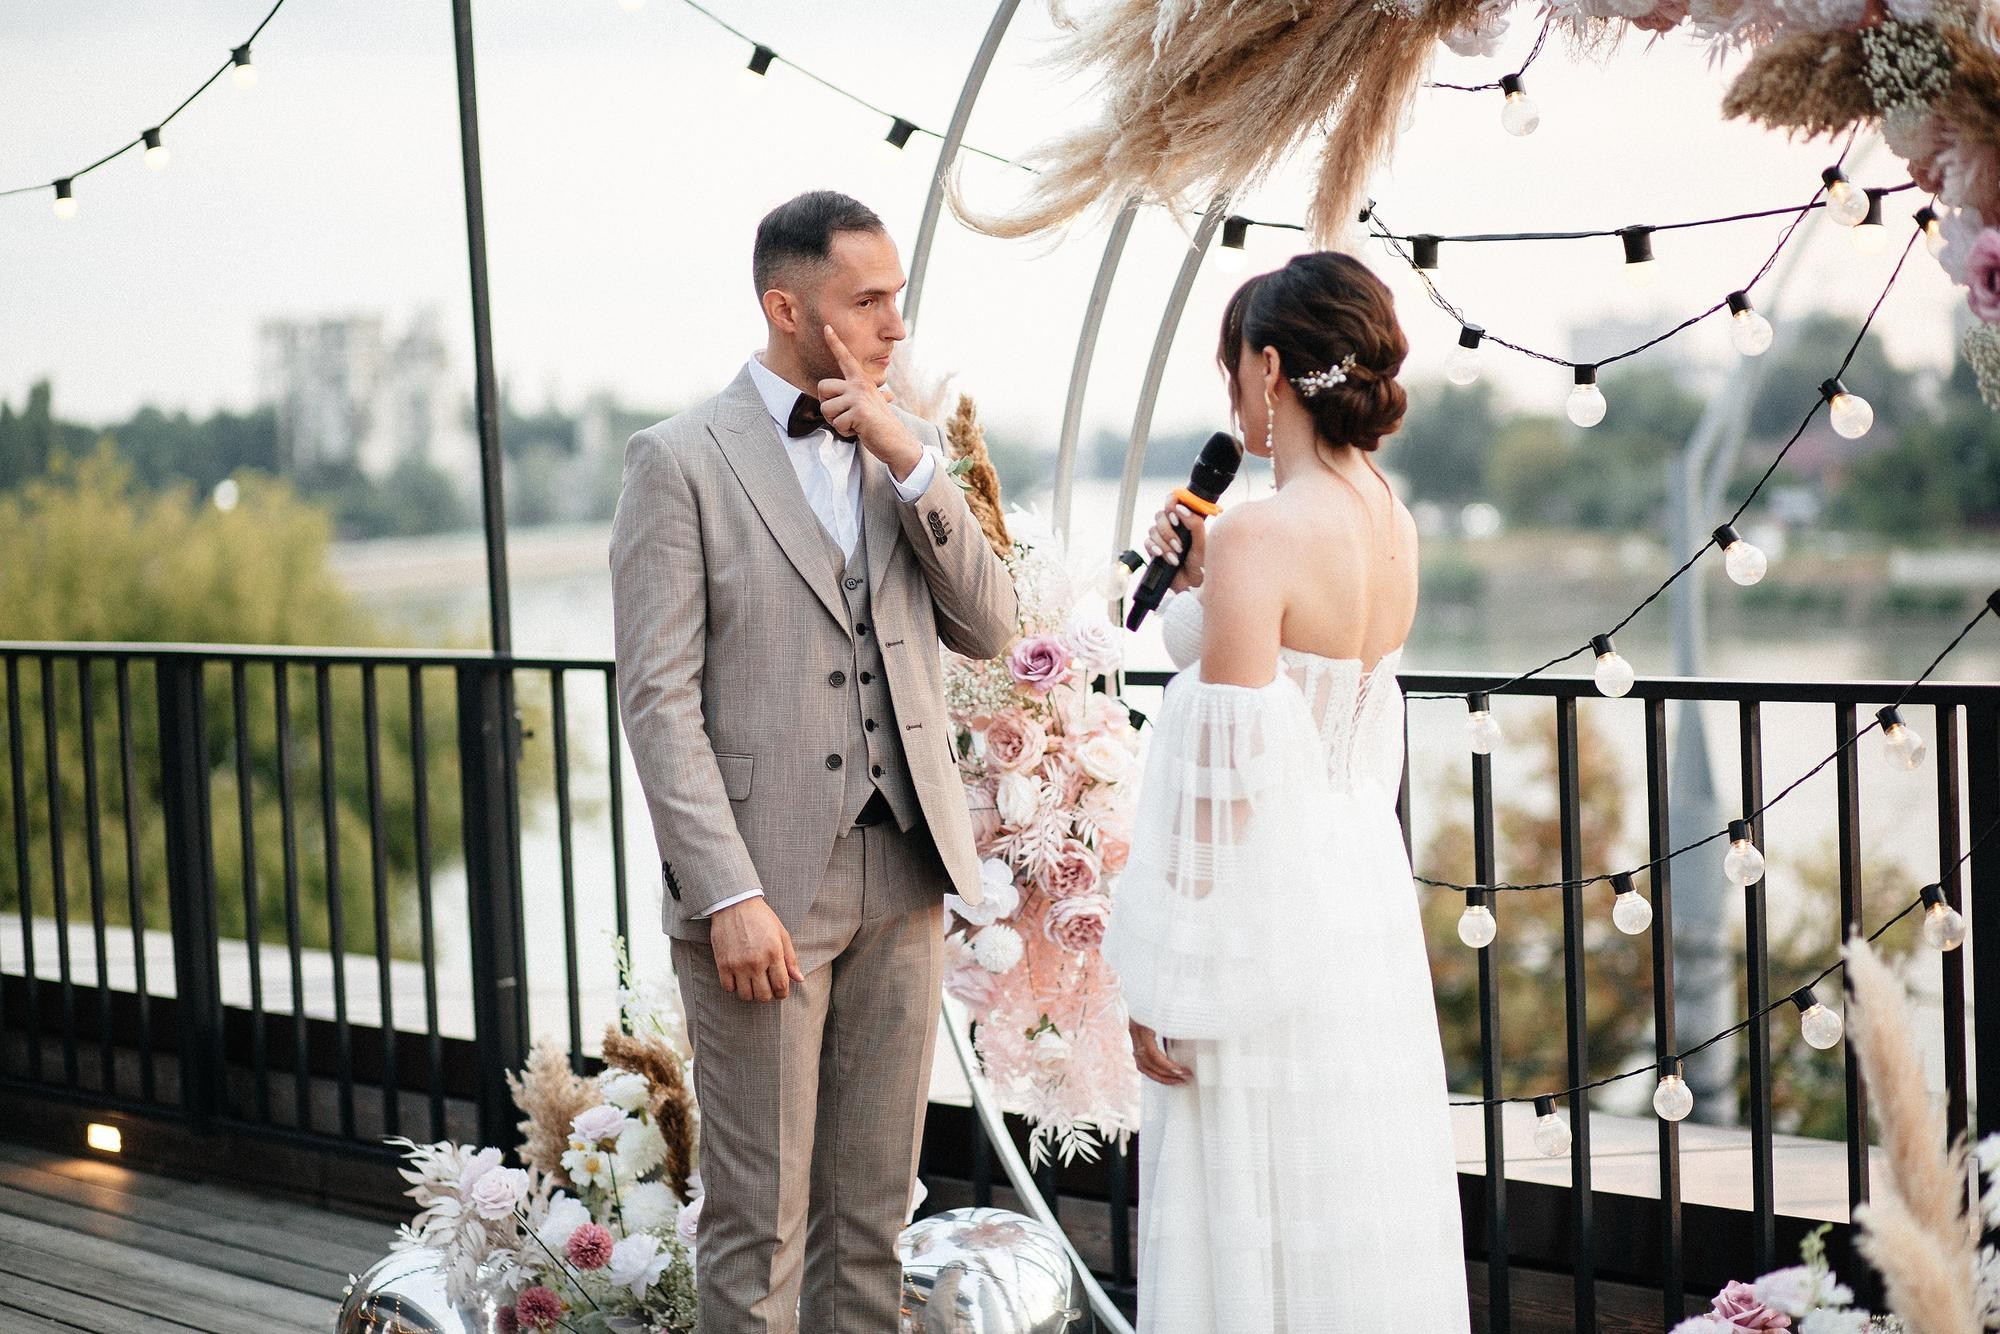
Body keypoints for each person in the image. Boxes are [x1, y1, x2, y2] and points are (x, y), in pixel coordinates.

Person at [609, 190, 1017, 1333]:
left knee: (871, 1217)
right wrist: (726, 891)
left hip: (905, 874)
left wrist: (907, 458)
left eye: (899, 297)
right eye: (868, 300)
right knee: (761, 1220)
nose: (896, 325)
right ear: (787, 307)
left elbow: (989, 624)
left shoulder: (901, 447)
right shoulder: (677, 462)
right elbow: (656, 696)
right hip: (764, 890)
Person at [1103, 251, 1470, 1332]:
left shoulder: (1264, 531)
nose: (1232, 400)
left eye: (1232, 373)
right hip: (1358, 899)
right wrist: (1201, 579)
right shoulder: (1388, 519)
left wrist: (1167, 972)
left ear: (1269, 368)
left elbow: (1224, 786)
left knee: (1249, 1196)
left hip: (1264, 911)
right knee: (1349, 1181)